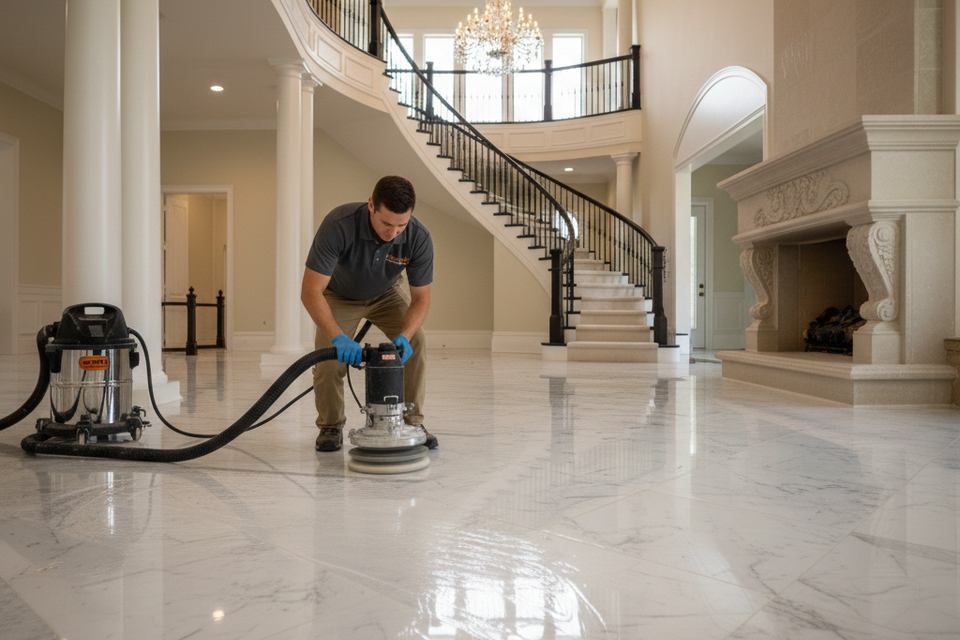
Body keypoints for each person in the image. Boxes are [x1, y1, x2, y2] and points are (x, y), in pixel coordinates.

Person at [301, 176, 436, 452]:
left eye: (401, 225)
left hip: (386, 294)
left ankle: (412, 421)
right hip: (340, 294)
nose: (393, 232)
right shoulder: (339, 225)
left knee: (418, 342)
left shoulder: (419, 237)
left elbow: (421, 298)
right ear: (371, 205)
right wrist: (338, 337)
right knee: (328, 357)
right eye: (386, 223)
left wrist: (405, 336)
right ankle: (330, 425)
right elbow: (310, 292)